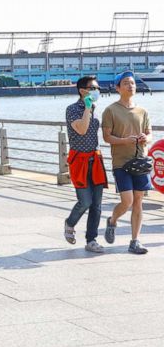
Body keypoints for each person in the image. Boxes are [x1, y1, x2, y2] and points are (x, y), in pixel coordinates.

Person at [102, 70, 153, 254]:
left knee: (138, 201)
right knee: (127, 201)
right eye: (126, 83)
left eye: (132, 83)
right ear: (117, 88)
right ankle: (112, 220)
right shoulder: (110, 110)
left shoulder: (143, 111)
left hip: (140, 161)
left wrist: (144, 138)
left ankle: (135, 241)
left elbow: (150, 133)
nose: (131, 86)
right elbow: (107, 137)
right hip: (121, 163)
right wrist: (125, 140)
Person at [64, 75, 107, 253]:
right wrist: (87, 109)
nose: (96, 91)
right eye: (93, 88)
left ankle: (91, 239)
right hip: (79, 160)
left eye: (97, 88)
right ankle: (70, 223)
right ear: (83, 91)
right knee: (85, 201)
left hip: (95, 159)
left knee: (97, 204)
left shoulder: (96, 108)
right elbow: (81, 129)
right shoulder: (72, 109)